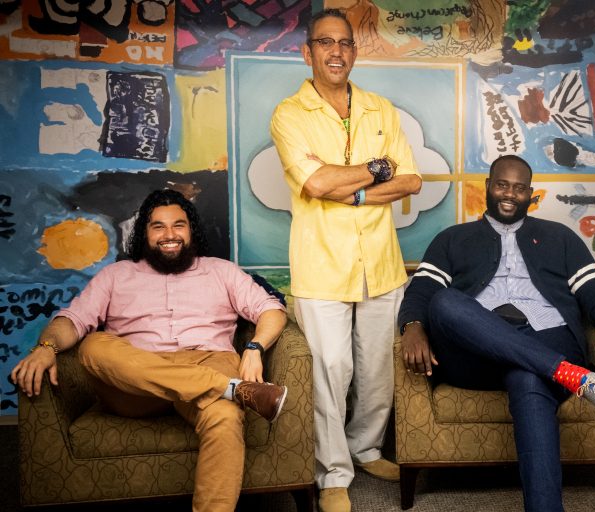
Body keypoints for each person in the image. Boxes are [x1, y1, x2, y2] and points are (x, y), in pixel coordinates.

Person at [9, 189, 289, 512]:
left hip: (208, 359)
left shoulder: (221, 271)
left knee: (225, 417)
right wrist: (46, 347)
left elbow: (271, 310)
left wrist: (254, 347)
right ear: (144, 233)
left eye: (178, 225)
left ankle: (226, 392)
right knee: (94, 345)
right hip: (136, 383)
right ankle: (232, 389)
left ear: (191, 230)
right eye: (158, 226)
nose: (169, 235)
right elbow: (71, 321)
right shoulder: (115, 276)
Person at [398, 155, 595, 512]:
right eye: (502, 184)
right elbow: (421, 291)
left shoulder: (559, 237)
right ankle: (574, 377)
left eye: (519, 187)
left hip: (547, 336)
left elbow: (594, 290)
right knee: (446, 300)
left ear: (530, 193)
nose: (509, 194)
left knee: (528, 377)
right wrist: (412, 326)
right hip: (475, 355)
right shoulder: (453, 239)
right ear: (488, 187)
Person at [269, 8, 422, 512]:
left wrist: (352, 190)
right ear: (307, 51)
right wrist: (376, 171)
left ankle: (366, 447)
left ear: (355, 52)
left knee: (378, 368)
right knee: (330, 369)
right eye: (326, 43)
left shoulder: (381, 108)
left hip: (381, 261)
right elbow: (315, 184)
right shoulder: (289, 114)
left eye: (346, 43)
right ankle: (332, 471)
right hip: (321, 266)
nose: (337, 52)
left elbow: (411, 181)